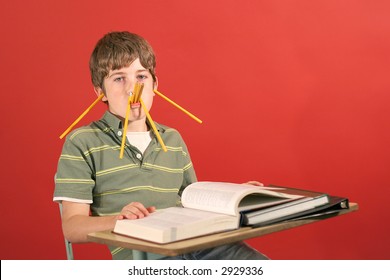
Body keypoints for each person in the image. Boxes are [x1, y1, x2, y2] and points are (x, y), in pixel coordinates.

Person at [53, 31, 268, 260]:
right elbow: (73, 228)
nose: (131, 89)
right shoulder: (83, 142)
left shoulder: (172, 139)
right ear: (100, 92)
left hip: (200, 245)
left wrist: (234, 199)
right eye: (118, 78)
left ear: (155, 84)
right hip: (147, 256)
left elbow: (192, 205)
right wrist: (119, 220)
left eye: (141, 77)